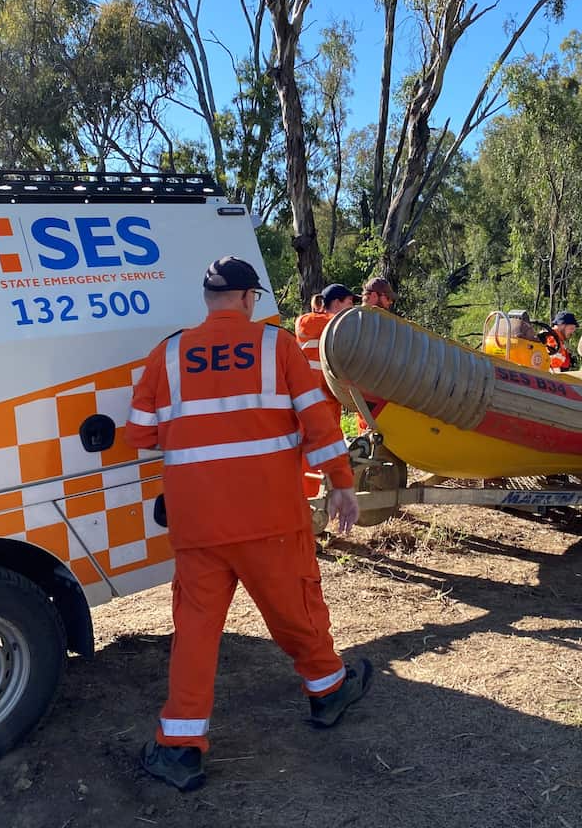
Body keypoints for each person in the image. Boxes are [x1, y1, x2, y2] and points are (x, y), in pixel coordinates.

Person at [126, 257, 371, 792]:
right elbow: (318, 420)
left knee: (194, 635)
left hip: (199, 526)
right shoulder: (275, 346)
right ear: (246, 298)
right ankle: (327, 692)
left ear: (209, 298)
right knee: (295, 610)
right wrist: (341, 484)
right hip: (270, 517)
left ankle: (179, 749)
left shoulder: (166, 354)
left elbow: (140, 433)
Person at [295, 282, 357, 381]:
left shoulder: (340, 328)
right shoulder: (310, 321)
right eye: (350, 303)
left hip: (324, 392)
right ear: (336, 303)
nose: (352, 308)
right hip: (314, 392)